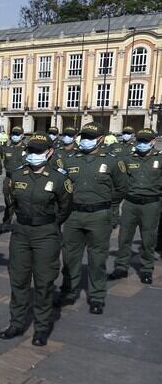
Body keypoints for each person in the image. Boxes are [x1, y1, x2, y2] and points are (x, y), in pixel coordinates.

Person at [0, 133, 72, 346]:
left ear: (49, 152)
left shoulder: (59, 177)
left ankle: (41, 328)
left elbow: (65, 208)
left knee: (43, 282)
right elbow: (11, 201)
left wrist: (48, 223)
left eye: (38, 151)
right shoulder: (17, 175)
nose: (33, 154)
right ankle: (16, 322)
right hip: (21, 231)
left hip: (46, 233)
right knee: (18, 280)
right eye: (30, 150)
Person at [57, 123, 128, 314]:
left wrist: (105, 204)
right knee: (70, 256)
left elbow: (121, 188)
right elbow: (61, 187)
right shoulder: (70, 160)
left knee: (97, 259)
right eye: (84, 136)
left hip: (99, 215)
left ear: (100, 139)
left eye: (90, 137)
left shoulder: (113, 161)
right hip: (73, 215)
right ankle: (68, 292)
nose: (85, 140)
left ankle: (97, 296)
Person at [109, 128, 161, 285]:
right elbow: (119, 180)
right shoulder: (128, 159)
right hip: (130, 203)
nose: (142, 144)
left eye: (146, 141)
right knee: (124, 237)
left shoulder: (159, 159)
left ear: (153, 142)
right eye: (140, 141)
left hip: (151, 204)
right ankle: (121, 267)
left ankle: (146, 268)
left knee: (148, 238)